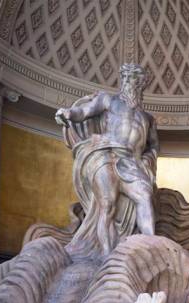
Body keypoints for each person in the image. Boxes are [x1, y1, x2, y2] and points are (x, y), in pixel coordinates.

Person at [55, 63, 159, 257]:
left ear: (142, 85)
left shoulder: (147, 118)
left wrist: (147, 160)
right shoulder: (108, 101)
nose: (131, 83)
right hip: (107, 156)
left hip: (132, 163)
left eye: (136, 80)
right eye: (128, 78)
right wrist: (68, 113)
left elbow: (153, 145)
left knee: (144, 197)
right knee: (107, 206)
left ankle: (151, 250)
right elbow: (84, 112)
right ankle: (105, 256)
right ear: (123, 80)